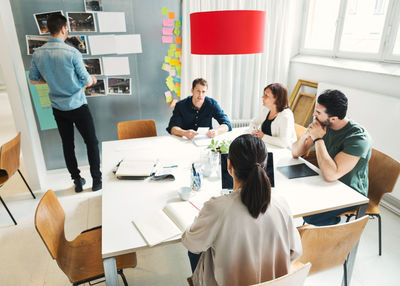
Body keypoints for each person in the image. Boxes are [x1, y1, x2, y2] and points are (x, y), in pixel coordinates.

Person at [182, 134, 302, 286]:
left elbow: (192, 244)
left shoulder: (217, 207)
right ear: (265, 165)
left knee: (199, 250)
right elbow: (295, 251)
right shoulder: (281, 202)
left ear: (229, 165)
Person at [29, 14, 102, 193]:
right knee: (91, 142)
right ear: (63, 29)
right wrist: (92, 79)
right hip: (77, 105)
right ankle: (97, 181)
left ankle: (77, 181)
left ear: (48, 30)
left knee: (67, 145)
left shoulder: (38, 53)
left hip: (58, 108)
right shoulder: (72, 52)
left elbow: (33, 79)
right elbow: (86, 80)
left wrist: (53, 81)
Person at [292, 89, 372, 226]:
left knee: (312, 216)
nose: (314, 114)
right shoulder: (323, 123)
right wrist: (307, 134)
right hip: (323, 180)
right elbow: (295, 152)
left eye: (318, 112)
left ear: (333, 118)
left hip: (349, 191)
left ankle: (333, 235)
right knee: (290, 197)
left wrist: (317, 138)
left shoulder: (358, 138)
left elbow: (331, 175)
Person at [166, 78, 232, 139]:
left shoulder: (212, 104)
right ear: (192, 91)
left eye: (203, 92)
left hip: (205, 141)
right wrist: (184, 133)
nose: (200, 95)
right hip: (185, 140)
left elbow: (227, 124)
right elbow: (172, 128)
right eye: (198, 91)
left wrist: (216, 131)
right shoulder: (180, 105)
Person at [249, 83, 296, 148]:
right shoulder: (266, 110)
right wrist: (254, 131)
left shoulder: (286, 116)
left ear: (277, 98)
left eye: (266, 95)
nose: (262, 97)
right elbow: (254, 123)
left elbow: (284, 142)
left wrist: (263, 136)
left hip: (283, 150)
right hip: (266, 146)